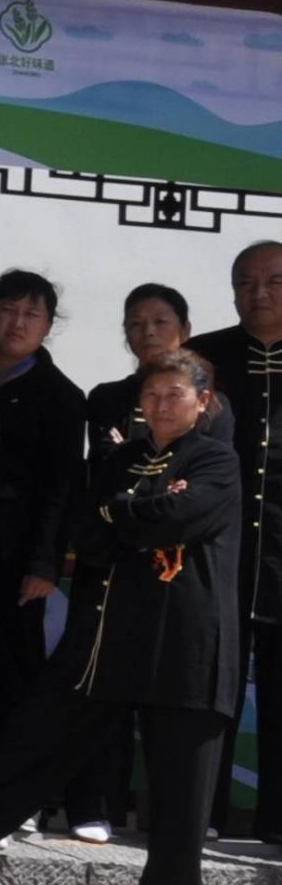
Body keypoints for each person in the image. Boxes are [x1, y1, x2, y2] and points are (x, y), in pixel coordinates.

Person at [0, 352, 238, 885]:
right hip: (107, 635)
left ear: (202, 401)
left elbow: (180, 518)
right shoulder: (121, 458)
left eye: (175, 395)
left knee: (182, 770)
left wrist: (123, 515)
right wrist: (129, 513)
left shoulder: (216, 460)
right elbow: (88, 530)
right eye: (152, 394)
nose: (160, 405)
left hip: (184, 637)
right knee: (39, 733)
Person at [43, 283, 193, 840]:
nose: (147, 332)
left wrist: (137, 488)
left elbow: (189, 489)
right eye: (135, 323)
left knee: (160, 692)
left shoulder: (205, 400)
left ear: (184, 329)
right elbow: (104, 475)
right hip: (107, 561)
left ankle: (167, 816)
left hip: (172, 569)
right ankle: (91, 806)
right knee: (95, 685)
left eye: (159, 322)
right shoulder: (106, 396)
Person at [184, 240, 282, 844]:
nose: (259, 293)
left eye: (273, 281)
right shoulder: (206, 361)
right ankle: (202, 816)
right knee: (206, 690)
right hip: (216, 554)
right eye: (245, 282)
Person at [0, 270, 80, 742]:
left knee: (12, 667)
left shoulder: (63, 397)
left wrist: (44, 563)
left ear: (48, 325)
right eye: (8, 309)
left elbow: (61, 487)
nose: (18, 322)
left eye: (32, 314)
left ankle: (3, 791)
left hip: (16, 553)